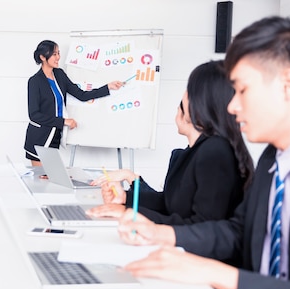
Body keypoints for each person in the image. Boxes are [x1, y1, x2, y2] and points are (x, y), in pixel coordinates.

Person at [117, 16, 290, 289]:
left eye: (242, 89)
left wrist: (214, 272)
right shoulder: (274, 156)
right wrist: (163, 235)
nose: (232, 105)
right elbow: (240, 231)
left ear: (288, 85)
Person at [87, 60, 253, 225]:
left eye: (190, 90)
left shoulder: (215, 150)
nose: (184, 96)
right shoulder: (194, 151)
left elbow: (202, 226)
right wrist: (125, 198)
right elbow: (168, 203)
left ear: (203, 99)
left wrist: (128, 213)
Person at [24, 40, 123, 166]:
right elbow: (34, 115)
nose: (58, 57)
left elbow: (81, 95)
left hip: (55, 135)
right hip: (39, 138)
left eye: (58, 53)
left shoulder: (59, 75)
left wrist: (108, 87)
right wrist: (64, 121)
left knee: (52, 180)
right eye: (54, 54)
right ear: (43, 57)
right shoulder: (34, 81)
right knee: (41, 181)